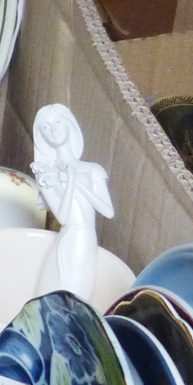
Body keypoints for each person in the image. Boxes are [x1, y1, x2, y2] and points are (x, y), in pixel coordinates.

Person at [30, 103, 114, 301]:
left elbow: (108, 211)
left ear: (70, 124)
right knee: (54, 291)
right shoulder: (45, 172)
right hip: (69, 237)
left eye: (58, 122)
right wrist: (68, 185)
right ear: (41, 135)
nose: (54, 130)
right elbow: (63, 216)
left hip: (85, 238)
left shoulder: (93, 169)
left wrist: (77, 183)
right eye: (46, 127)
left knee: (77, 293)